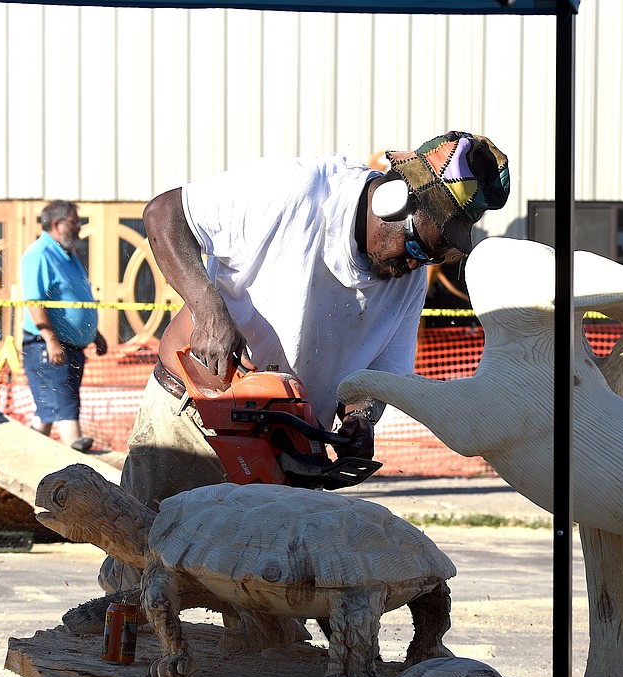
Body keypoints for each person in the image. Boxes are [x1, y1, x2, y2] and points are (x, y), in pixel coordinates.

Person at [99, 131, 509, 594]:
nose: (415, 266)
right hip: (194, 416)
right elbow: (164, 213)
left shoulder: (408, 277)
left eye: (433, 257)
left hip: (281, 442)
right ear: (392, 202)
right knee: (144, 570)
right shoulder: (296, 192)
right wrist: (208, 308)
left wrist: (359, 418)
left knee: (269, 595)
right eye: (416, 248)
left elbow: (382, 373)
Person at [20, 200, 108, 453]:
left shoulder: (68, 255)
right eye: (74, 221)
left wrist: (93, 333)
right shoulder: (39, 253)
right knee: (66, 407)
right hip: (46, 346)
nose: (79, 227)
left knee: (48, 411)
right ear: (58, 224)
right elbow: (34, 302)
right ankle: (76, 455)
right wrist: (51, 340)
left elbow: (73, 298)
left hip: (70, 346)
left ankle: (27, 457)